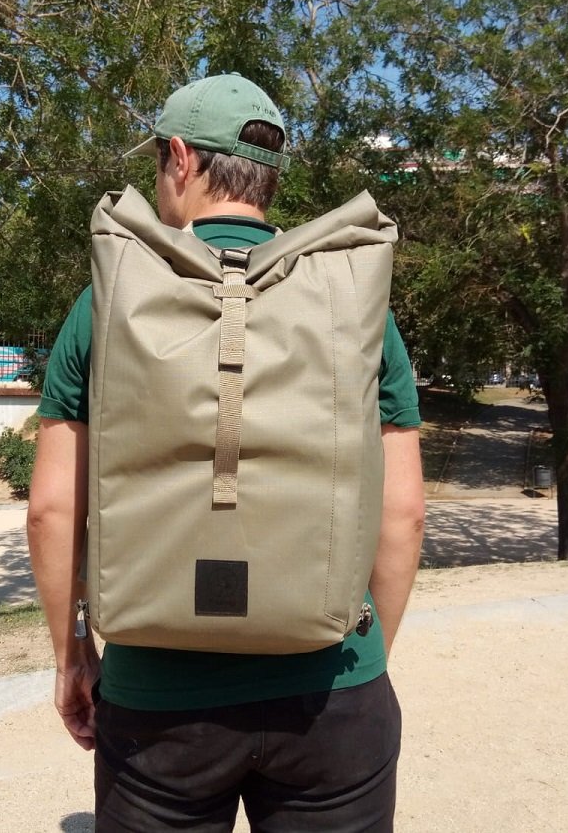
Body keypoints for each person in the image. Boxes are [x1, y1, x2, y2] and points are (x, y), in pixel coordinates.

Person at [26, 73, 426, 831]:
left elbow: (50, 511)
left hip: (157, 706)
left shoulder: (105, 305)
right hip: (332, 697)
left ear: (179, 158)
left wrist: (74, 653)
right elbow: (403, 514)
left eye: (156, 164)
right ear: (268, 177)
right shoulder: (353, 303)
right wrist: (360, 664)